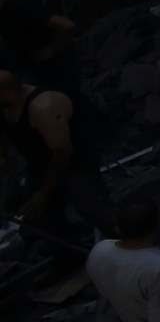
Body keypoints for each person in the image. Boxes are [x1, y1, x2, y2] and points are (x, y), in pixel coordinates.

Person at [1, 68, 111, 247]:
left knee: (93, 208)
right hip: (40, 163)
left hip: (75, 161)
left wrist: (43, 192)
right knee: (39, 215)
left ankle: (128, 245)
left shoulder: (43, 107)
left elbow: (62, 151)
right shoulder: (4, 106)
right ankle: (66, 256)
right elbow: (4, 132)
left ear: (10, 93)